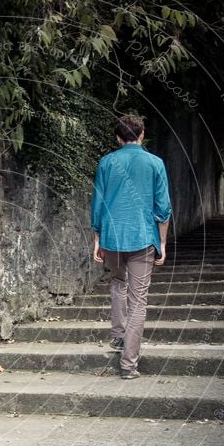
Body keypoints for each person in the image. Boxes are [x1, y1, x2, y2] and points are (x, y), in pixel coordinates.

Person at [90, 114, 172, 379]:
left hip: (112, 238)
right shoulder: (155, 163)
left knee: (117, 282)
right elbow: (163, 208)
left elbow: (98, 204)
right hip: (142, 237)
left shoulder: (106, 162)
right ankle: (128, 366)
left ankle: (118, 335)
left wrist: (97, 241)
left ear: (117, 137)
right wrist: (161, 242)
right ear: (142, 134)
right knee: (139, 301)